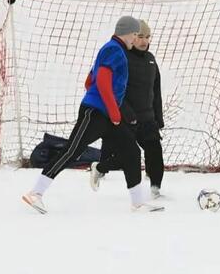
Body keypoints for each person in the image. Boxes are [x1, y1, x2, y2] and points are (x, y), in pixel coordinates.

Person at [22, 16, 164, 214]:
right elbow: (103, 82)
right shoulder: (114, 49)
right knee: (72, 150)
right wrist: (113, 111)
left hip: (106, 113)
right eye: (135, 35)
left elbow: (90, 81)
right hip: (95, 113)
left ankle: (138, 203)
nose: (136, 40)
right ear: (127, 33)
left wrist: (110, 109)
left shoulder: (116, 50)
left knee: (132, 151)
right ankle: (35, 193)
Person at [91, 20, 165, 198]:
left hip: (147, 118)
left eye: (147, 37)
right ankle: (99, 168)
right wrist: (124, 112)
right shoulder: (121, 57)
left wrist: (158, 118)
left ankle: (155, 189)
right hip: (125, 117)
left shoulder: (151, 60)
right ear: (132, 37)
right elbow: (111, 88)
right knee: (126, 157)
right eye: (140, 37)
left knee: (155, 151)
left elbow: (156, 91)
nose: (143, 41)